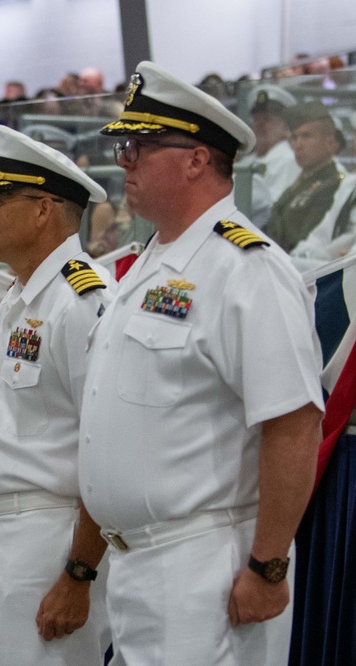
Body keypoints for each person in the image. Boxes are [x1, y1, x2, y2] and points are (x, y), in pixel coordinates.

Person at [83, 61, 324, 665]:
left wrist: (268, 566)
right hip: (136, 566)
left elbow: (293, 424)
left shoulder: (249, 271)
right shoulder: (145, 265)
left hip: (203, 567)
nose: (123, 161)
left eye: (139, 146)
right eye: (122, 145)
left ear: (196, 159)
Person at [0, 125, 112, 664]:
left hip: (52, 539)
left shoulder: (82, 301)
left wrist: (80, 572)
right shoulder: (19, 299)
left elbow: (105, 446)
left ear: (44, 208)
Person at [264, 100, 346, 252]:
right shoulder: (299, 183)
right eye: (294, 138)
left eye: (307, 136)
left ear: (330, 143)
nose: (298, 145)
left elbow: (305, 242)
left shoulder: (332, 185)